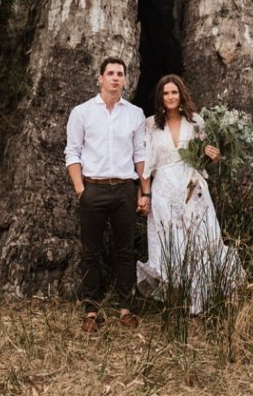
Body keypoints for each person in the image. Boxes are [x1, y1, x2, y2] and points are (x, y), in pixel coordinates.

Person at [136, 74, 240, 314]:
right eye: (166, 93)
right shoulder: (151, 124)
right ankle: (177, 301)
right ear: (160, 98)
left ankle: (202, 299)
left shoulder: (196, 122)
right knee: (171, 244)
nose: (170, 97)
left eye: (174, 92)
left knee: (202, 239)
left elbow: (204, 158)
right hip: (163, 188)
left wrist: (214, 157)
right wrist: (146, 195)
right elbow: (145, 165)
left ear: (181, 95)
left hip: (193, 187)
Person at [65, 56, 150, 332]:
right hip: (93, 189)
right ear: (100, 78)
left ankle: (126, 307)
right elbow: (72, 152)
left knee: (125, 251)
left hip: (125, 189)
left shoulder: (135, 114)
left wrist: (144, 191)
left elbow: (140, 155)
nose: (115, 78)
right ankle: (91, 310)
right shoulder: (82, 112)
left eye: (120, 74)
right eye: (110, 73)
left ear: (125, 79)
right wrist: (81, 190)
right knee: (91, 252)